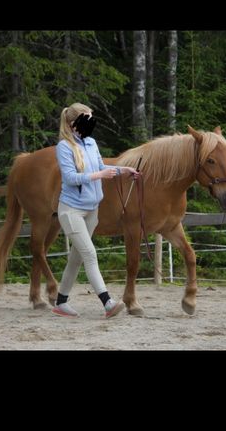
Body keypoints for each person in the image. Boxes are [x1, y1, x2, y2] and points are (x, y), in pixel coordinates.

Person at [53, 103, 140, 318]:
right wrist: (99, 177)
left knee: (77, 258)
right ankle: (108, 302)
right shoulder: (64, 147)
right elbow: (71, 178)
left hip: (92, 210)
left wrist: (123, 170)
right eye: (86, 119)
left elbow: (101, 167)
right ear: (73, 123)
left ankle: (61, 302)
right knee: (90, 255)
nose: (91, 123)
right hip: (71, 211)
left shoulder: (91, 143)